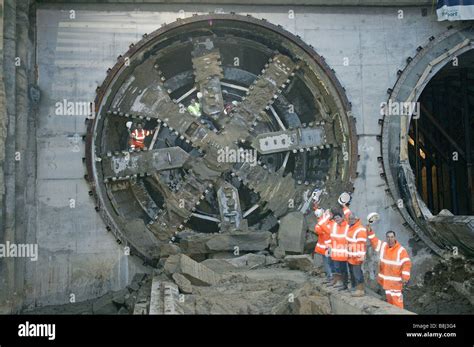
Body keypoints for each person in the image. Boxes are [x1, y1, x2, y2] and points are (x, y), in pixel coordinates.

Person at [367, 227, 412, 309]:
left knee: (397, 305)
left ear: (395, 238)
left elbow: (406, 264)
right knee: (390, 304)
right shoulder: (383, 246)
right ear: (386, 238)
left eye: (392, 237)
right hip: (386, 283)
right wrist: (370, 231)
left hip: (396, 284)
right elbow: (375, 241)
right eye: (388, 237)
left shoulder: (400, 250)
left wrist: (405, 277)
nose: (390, 239)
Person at [325, 208, 349, 290]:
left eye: (338, 217)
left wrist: (344, 206)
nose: (336, 219)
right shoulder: (334, 226)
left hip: (343, 253)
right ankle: (340, 282)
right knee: (337, 268)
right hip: (335, 253)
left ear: (342, 217)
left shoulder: (347, 225)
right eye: (335, 218)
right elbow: (331, 238)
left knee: (344, 269)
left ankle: (344, 284)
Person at [345, 212, 368, 296]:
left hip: (356, 256)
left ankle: (360, 290)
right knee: (353, 273)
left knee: (357, 273)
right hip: (351, 256)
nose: (351, 220)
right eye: (350, 218)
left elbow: (361, 244)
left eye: (352, 219)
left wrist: (360, 257)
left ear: (356, 219)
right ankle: (355, 287)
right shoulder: (351, 228)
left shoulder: (360, 229)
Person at [313, 208, 334, 283]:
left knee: (329, 263)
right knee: (327, 263)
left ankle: (331, 277)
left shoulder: (331, 223)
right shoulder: (324, 223)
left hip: (330, 247)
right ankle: (330, 276)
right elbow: (317, 230)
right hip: (326, 247)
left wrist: (323, 218)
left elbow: (323, 230)